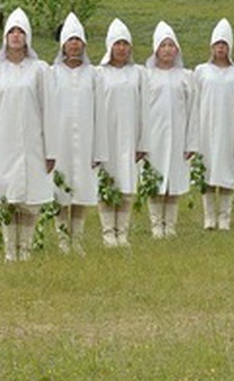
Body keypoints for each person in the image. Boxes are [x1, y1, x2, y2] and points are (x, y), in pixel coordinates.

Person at [0, 8, 50, 262]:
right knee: (7, 196)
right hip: (3, 144)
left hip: (33, 144)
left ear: (28, 37)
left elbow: (48, 110)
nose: (16, 36)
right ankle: (10, 250)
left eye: (21, 32)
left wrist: (50, 150)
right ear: (5, 37)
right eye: (12, 32)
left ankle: (25, 249)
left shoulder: (40, 70)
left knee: (29, 197)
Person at [46, 13, 100, 254]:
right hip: (60, 141)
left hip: (87, 140)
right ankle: (62, 239)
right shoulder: (51, 73)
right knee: (61, 189)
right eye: (70, 40)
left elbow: (101, 111)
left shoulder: (95, 74)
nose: (74, 45)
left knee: (81, 189)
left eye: (78, 40)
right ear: (63, 45)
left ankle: (77, 238)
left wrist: (100, 147)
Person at [190, 19, 234, 231]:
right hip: (206, 129)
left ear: (230, 47)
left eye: (224, 44)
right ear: (211, 47)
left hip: (228, 130)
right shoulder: (201, 71)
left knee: (226, 172)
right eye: (217, 44)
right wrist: (193, 136)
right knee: (207, 172)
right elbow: (194, 103)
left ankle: (224, 216)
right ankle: (209, 216)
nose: (221, 48)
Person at [140, 22, 194, 238]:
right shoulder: (146, 76)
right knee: (155, 179)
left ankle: (170, 225)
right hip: (153, 137)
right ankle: (156, 224)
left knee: (174, 179)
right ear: (156, 49)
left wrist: (192, 141)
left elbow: (193, 110)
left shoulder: (186, 76)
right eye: (163, 45)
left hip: (179, 136)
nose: (168, 49)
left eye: (171, 45)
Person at [94, 18, 142, 247]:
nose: (121, 48)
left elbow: (145, 108)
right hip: (106, 137)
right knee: (107, 180)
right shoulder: (98, 74)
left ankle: (122, 231)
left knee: (126, 181)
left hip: (130, 136)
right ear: (109, 46)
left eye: (125, 43)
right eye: (117, 44)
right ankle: (107, 232)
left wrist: (143, 142)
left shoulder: (138, 73)